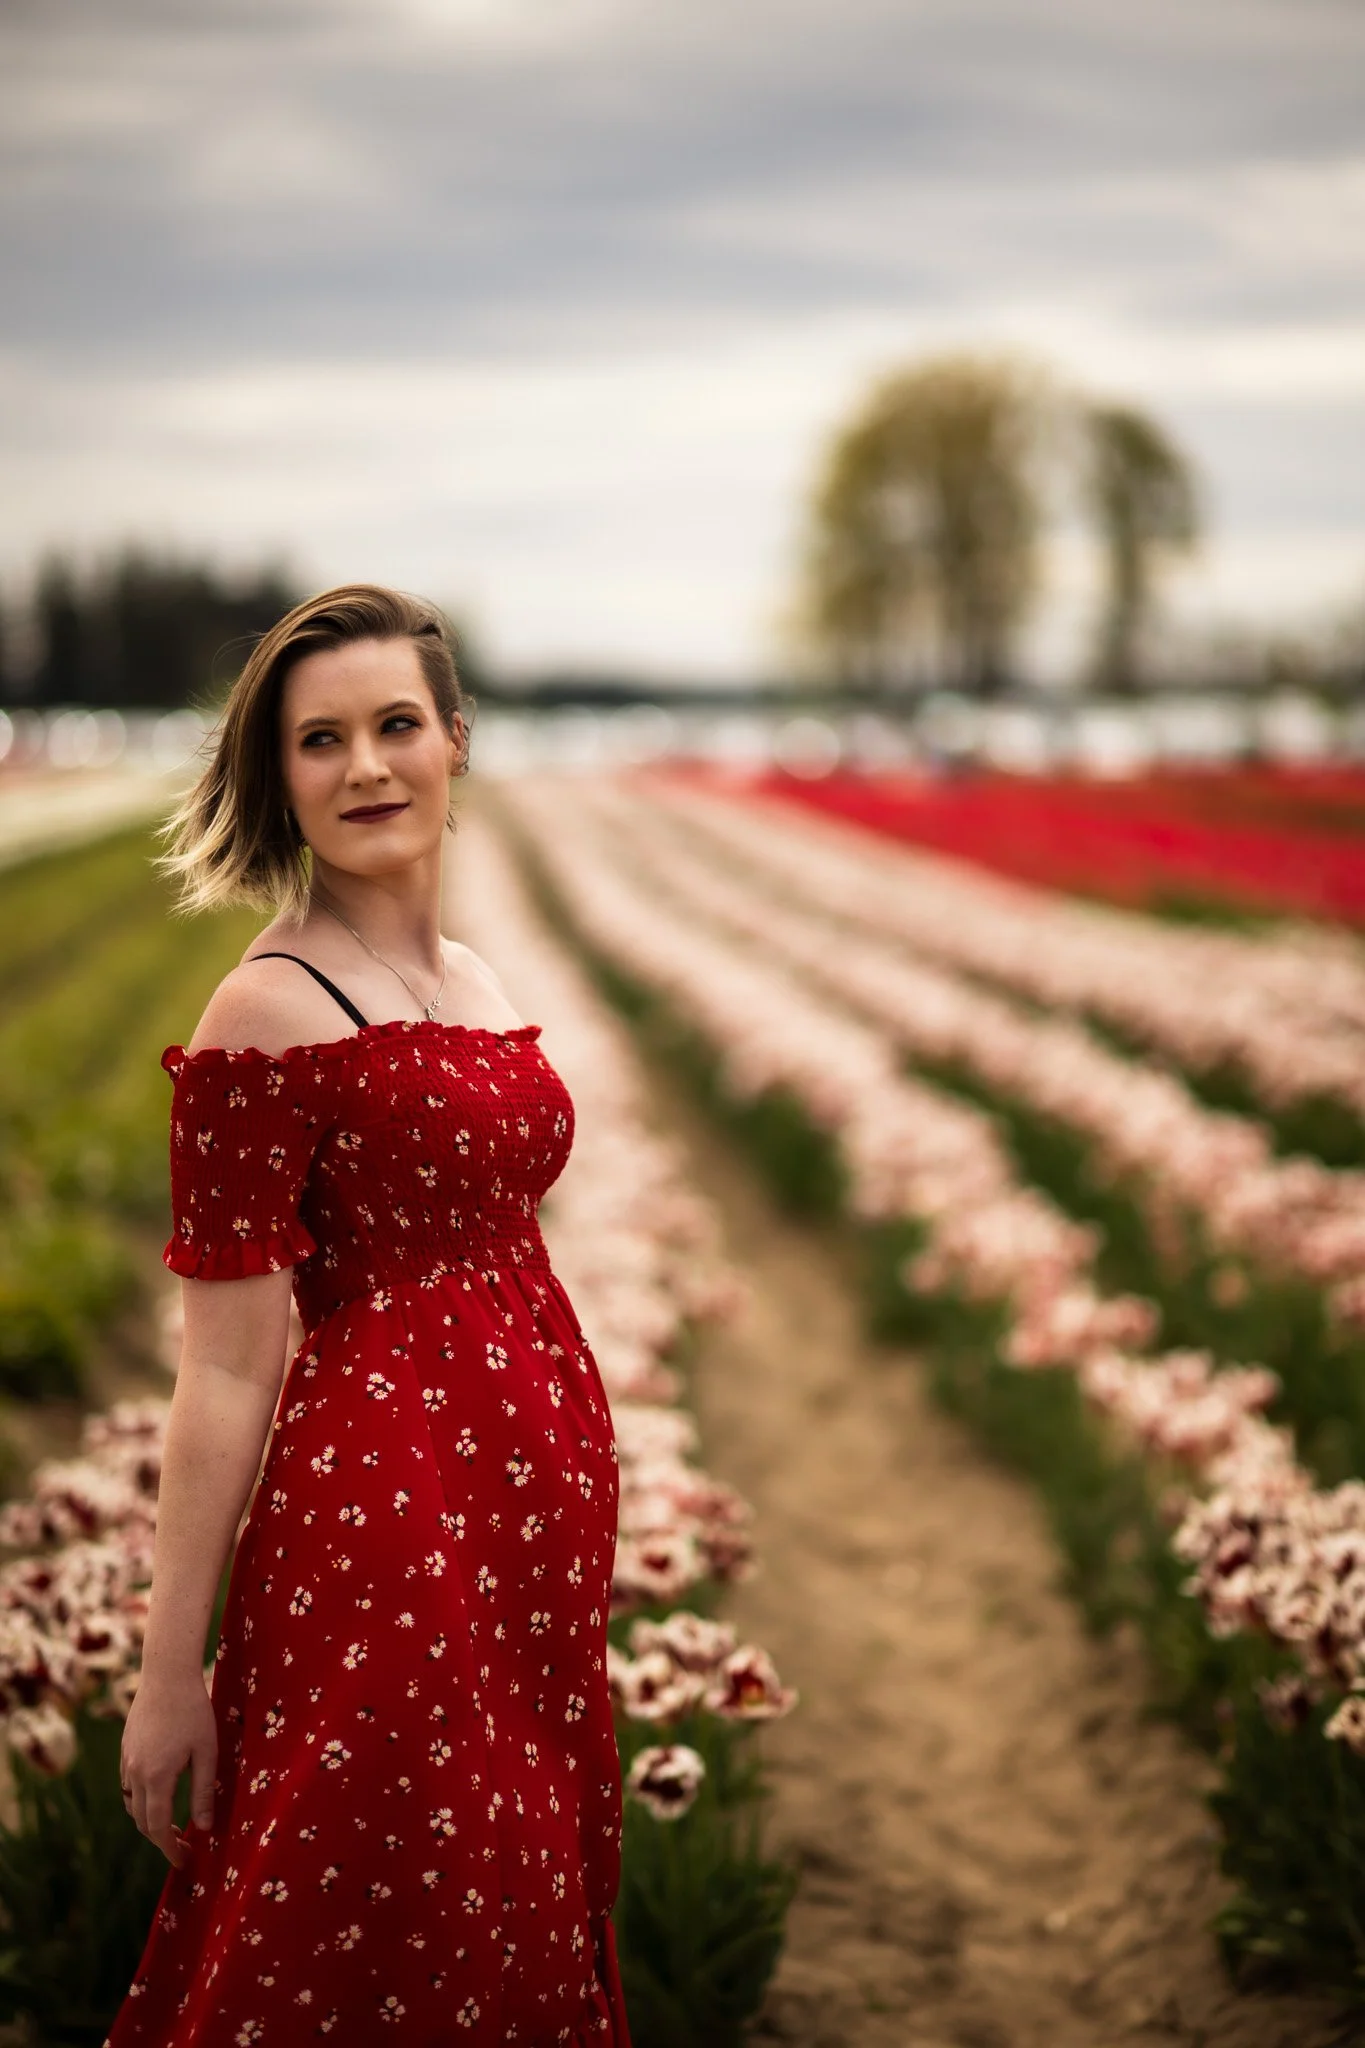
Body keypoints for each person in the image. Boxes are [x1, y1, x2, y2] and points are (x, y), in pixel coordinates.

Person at [104, 585, 629, 2047]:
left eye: (397, 724)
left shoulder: (474, 979)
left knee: (510, 1886)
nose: (367, 766)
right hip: (382, 1533)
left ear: (456, 741)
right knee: (398, 1900)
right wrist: (169, 1678)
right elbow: (220, 1370)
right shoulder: (262, 1015)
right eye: (319, 740)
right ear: (281, 780)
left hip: (525, 1539)